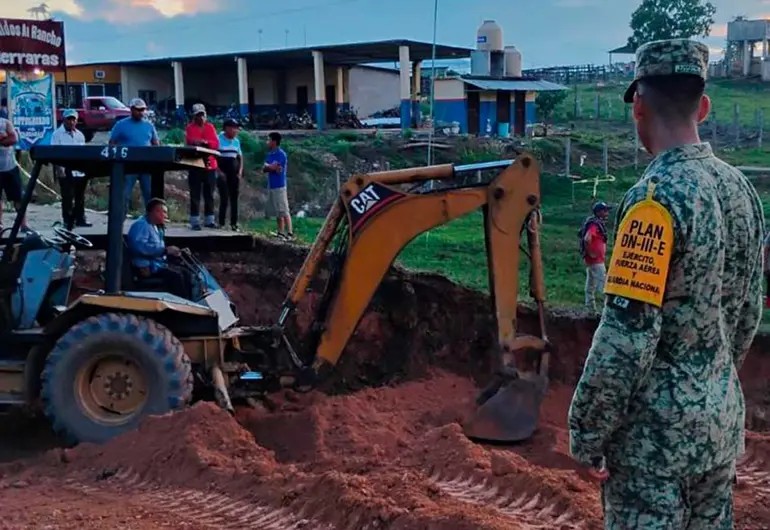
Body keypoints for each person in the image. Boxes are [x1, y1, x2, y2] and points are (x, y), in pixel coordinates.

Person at [568, 39, 765, 529]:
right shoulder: (742, 192)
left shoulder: (653, 201)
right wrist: (711, 385)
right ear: (703, 106)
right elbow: (746, 313)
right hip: (718, 429)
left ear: (637, 104)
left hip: (653, 449)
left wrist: (588, 432)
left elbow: (626, 335)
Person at [126, 198, 192, 299]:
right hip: (146, 268)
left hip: (158, 264)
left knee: (186, 273)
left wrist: (177, 251)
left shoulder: (155, 226)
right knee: (177, 276)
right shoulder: (141, 225)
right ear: (155, 211)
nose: (166, 216)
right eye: (164, 212)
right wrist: (165, 250)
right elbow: (139, 247)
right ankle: (181, 303)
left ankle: (190, 301)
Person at [109, 98, 159, 214]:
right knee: (124, 194)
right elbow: (112, 143)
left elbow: (156, 144)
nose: (141, 112)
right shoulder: (121, 125)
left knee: (149, 194)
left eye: (142, 110)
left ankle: (150, 220)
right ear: (131, 110)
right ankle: (120, 219)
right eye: (138, 110)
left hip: (145, 165)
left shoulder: (149, 125)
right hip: (128, 166)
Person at [51, 109, 91, 228]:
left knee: (80, 196)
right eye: (69, 119)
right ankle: (68, 220)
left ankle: (80, 218)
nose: (71, 122)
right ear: (64, 120)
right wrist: (59, 170)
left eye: (73, 119)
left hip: (79, 170)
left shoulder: (79, 135)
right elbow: (55, 153)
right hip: (65, 169)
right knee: (67, 196)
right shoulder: (57, 134)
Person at [185, 103, 219, 230]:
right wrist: (197, 142)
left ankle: (209, 219)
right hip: (195, 163)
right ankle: (195, 220)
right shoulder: (190, 128)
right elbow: (189, 141)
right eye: (198, 115)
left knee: (209, 193)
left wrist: (206, 143)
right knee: (195, 193)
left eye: (202, 115)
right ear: (194, 116)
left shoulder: (210, 127)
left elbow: (215, 143)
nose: (201, 118)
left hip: (210, 164)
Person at [579, 201, 610, 311]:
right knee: (603, 287)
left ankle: (590, 310)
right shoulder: (594, 225)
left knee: (590, 286)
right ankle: (605, 311)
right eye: (605, 211)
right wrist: (590, 252)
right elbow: (587, 238)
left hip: (593, 261)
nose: (607, 213)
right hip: (596, 260)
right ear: (599, 212)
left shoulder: (595, 223)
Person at [263, 131, 293, 239]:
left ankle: (289, 233)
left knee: (284, 210)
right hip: (271, 185)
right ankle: (280, 232)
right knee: (277, 211)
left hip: (280, 186)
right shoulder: (270, 154)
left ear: (274, 142)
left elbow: (277, 168)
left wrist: (270, 167)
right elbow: (265, 168)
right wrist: (270, 167)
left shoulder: (281, 154)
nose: (267, 142)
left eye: (268, 140)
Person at [0, 113, 27, 232]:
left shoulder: (5, 123)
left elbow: (13, 139)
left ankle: (24, 225)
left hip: (10, 166)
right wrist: (2, 138)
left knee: (18, 198)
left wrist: (5, 139)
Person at [216, 118, 243, 231]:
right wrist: (218, 171)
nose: (235, 130)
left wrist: (240, 171)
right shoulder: (218, 139)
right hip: (222, 172)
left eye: (236, 128)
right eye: (233, 128)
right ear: (226, 128)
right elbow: (213, 157)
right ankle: (221, 222)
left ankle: (234, 223)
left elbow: (240, 157)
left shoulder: (236, 141)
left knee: (234, 198)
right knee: (224, 197)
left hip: (234, 173)